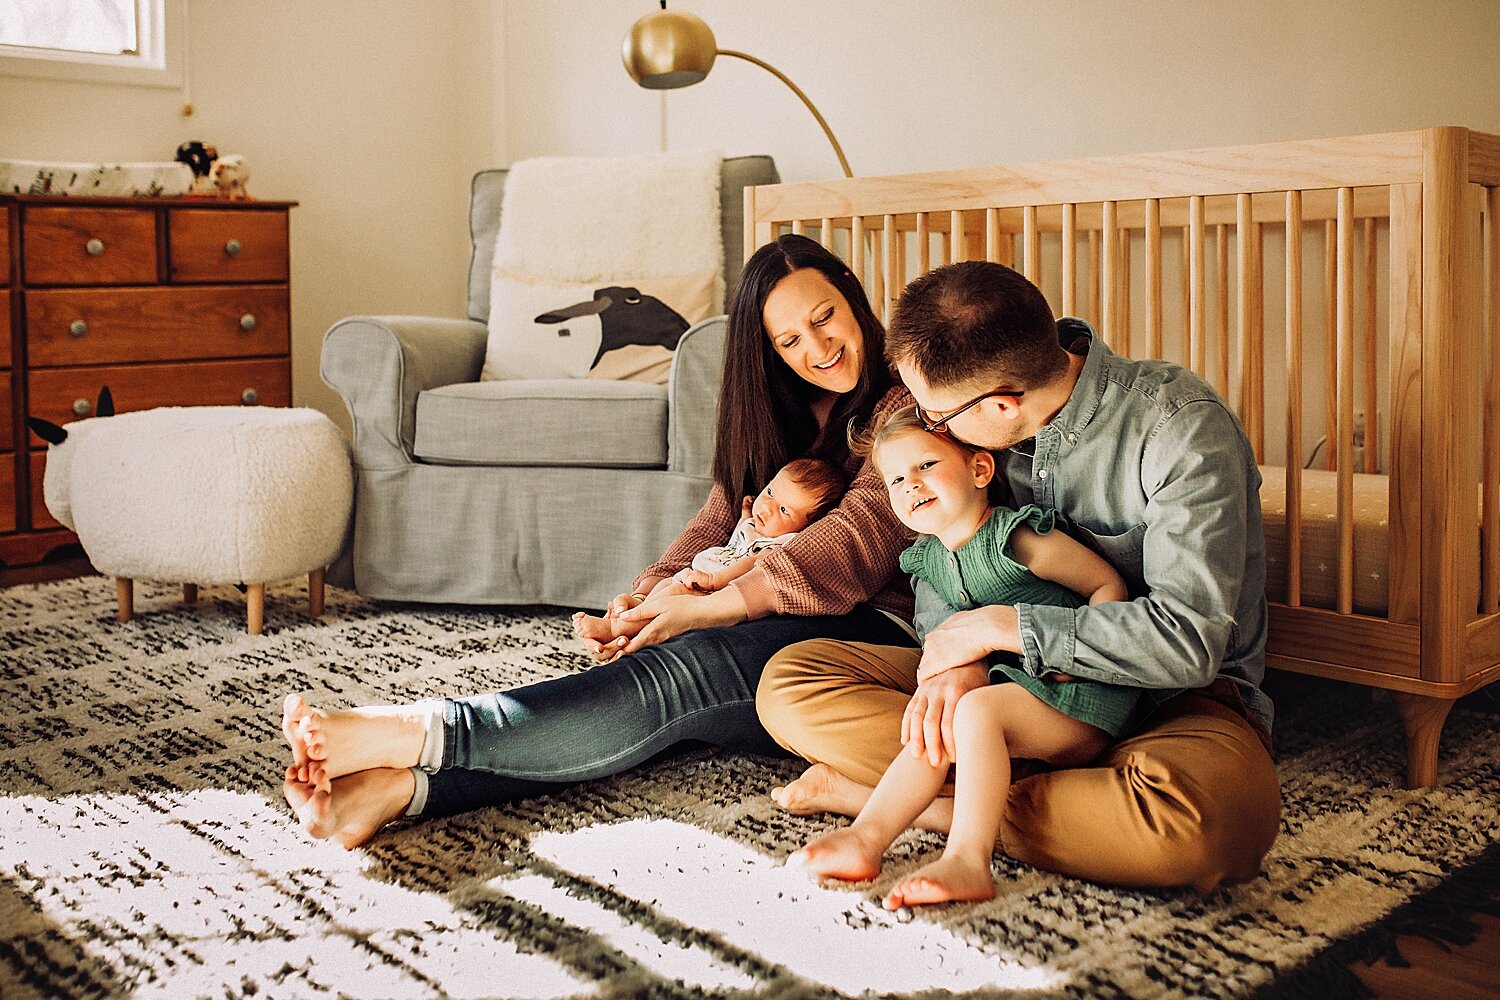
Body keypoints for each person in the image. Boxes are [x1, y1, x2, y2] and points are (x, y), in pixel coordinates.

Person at [280, 233, 919, 849]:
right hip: (763, 609)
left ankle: (418, 730)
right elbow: (720, 514)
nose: (819, 347)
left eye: (825, 317)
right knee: (655, 691)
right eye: (790, 339)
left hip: (873, 631)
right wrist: (648, 596)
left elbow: (855, 542)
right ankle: (403, 792)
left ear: (850, 295)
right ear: (770, 351)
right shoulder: (779, 409)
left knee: (686, 673)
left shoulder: (906, 399)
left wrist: (705, 606)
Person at [759, 260, 1283, 893]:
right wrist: (960, 660)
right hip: (1007, 693)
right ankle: (1029, 795)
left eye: (938, 419)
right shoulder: (982, 425)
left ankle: (935, 809)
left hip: (1173, 704)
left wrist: (1004, 628)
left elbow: (1188, 643)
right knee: (789, 684)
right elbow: (942, 559)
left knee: (1208, 829)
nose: (932, 432)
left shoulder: (1181, 431)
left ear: (1003, 406)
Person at [790, 405, 1133, 908]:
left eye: (926, 466)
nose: (910, 484)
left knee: (971, 710)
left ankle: (969, 860)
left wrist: (1074, 658)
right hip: (1012, 698)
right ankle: (867, 837)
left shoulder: (1016, 538)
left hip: (1079, 697)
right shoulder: (928, 559)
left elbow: (1108, 585)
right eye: (895, 479)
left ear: (980, 470)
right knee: (942, 715)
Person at [571, 456, 846, 655]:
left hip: (716, 591)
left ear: (807, 526)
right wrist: (744, 517)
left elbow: (750, 562)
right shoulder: (759, 523)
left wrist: (715, 580)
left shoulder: (783, 544)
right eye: (771, 492)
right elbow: (733, 535)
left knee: (672, 596)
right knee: (664, 587)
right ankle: (631, 610)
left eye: (785, 510)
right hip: (701, 574)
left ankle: (618, 629)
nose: (769, 506)